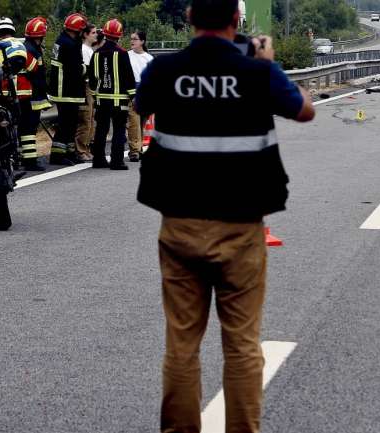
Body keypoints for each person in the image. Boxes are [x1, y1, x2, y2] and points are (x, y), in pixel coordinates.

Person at [134, 0, 315, 430]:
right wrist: (265, 62)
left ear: (189, 18)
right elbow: (305, 110)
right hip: (241, 229)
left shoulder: (163, 70)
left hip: (179, 227)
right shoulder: (258, 72)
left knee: (181, 345)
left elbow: (142, 106)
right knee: (242, 345)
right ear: (236, 21)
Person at [0, 18, 45, 170]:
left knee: (6, 126)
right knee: (27, 127)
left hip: (1, 95)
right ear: (12, 30)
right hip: (22, 94)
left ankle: (11, 159)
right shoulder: (19, 45)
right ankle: (30, 161)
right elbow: (33, 67)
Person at [88, 19, 135, 170]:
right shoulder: (122, 53)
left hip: (102, 100)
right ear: (119, 35)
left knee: (101, 129)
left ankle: (98, 160)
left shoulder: (96, 54)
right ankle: (117, 161)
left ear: (105, 34)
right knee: (119, 130)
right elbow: (129, 77)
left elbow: (93, 78)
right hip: (119, 100)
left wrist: (95, 96)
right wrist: (133, 96)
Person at [49, 12, 89, 165]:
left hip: (63, 89)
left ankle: (69, 152)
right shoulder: (69, 45)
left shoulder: (63, 41)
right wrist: (88, 69)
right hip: (66, 90)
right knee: (66, 124)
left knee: (70, 123)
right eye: (81, 30)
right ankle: (58, 156)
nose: (82, 34)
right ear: (76, 30)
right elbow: (75, 69)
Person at [19, 17, 53, 171]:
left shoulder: (27, 47)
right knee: (29, 128)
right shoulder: (31, 50)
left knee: (27, 127)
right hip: (31, 96)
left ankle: (25, 158)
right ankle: (30, 161)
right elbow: (37, 75)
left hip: (28, 95)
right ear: (39, 36)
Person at [126, 31, 154, 162]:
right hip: (131, 90)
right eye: (131, 39)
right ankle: (134, 150)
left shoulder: (149, 58)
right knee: (134, 122)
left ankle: (139, 148)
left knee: (141, 123)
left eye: (135, 39)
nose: (132, 41)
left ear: (142, 41)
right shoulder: (126, 56)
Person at [74, 23, 99, 163]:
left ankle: (86, 148)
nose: (96, 35)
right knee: (85, 118)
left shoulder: (90, 49)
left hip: (91, 86)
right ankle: (80, 150)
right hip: (85, 86)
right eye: (93, 32)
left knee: (90, 119)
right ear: (85, 34)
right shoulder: (84, 49)